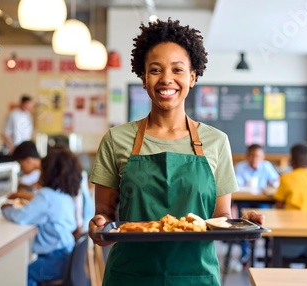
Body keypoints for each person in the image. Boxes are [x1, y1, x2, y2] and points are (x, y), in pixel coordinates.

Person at [88, 18, 264, 286]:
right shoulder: (116, 139)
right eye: (155, 70)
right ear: (144, 79)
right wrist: (99, 225)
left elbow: (221, 218)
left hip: (196, 276)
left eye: (177, 70)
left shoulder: (216, 141)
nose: (166, 79)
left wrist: (244, 223)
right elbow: (104, 213)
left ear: (192, 77)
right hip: (130, 277)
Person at [2, 147, 81, 286]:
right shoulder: (65, 195)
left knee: (23, 275)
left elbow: (21, 217)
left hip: (56, 259)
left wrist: (6, 209)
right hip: (68, 255)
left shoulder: (46, 195)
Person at [9, 141, 94, 235]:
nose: (21, 169)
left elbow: (74, 199)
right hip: (77, 225)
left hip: (80, 225)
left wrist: (79, 224)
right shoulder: (49, 173)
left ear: (28, 160)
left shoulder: (55, 171)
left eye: (21, 165)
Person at [234, 144, 279, 265]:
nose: (255, 159)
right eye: (252, 156)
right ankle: (245, 253)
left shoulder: (267, 166)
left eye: (258, 156)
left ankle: (265, 250)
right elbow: (236, 186)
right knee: (242, 221)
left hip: (262, 202)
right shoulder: (240, 167)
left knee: (264, 217)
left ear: (263, 157)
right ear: (247, 156)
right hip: (245, 201)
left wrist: (272, 184)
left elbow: (276, 181)